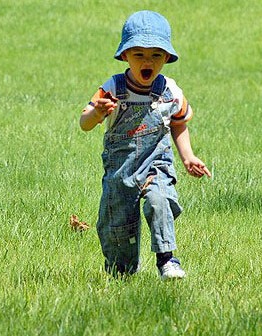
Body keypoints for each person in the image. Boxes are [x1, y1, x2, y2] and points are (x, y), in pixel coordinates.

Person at [79, 10, 211, 280]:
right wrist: (97, 113)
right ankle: (122, 273)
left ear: (166, 58)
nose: (147, 61)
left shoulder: (170, 90)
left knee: (160, 200)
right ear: (125, 55)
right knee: (117, 224)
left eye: (156, 55)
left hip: (156, 163)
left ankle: (167, 259)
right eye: (139, 54)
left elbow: (179, 122)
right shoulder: (113, 88)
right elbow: (84, 122)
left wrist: (187, 156)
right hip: (121, 171)